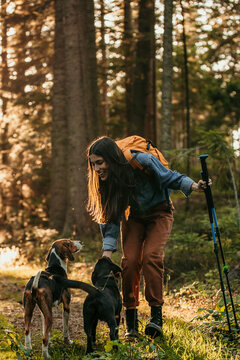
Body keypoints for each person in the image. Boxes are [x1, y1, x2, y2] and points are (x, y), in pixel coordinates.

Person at [86, 136, 210, 339]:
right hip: (134, 217)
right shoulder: (106, 180)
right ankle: (131, 322)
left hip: (160, 213)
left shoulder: (141, 160)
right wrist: (106, 255)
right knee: (130, 262)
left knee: (152, 256)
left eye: (100, 162)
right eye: (93, 164)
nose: (97, 169)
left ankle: (156, 319)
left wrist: (194, 186)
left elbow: (169, 177)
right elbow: (111, 217)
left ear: (111, 157)